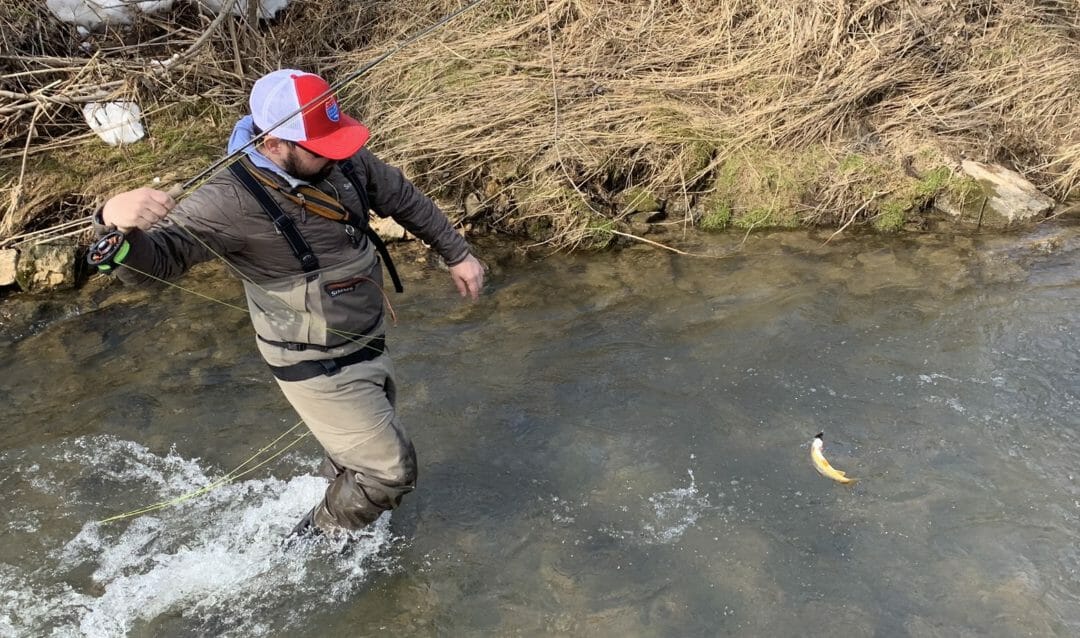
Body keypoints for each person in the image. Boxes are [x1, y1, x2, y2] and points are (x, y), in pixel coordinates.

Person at [92, 69, 485, 537]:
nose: (337, 156)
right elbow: (155, 262)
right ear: (275, 143)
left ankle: (341, 518)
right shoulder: (227, 202)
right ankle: (309, 548)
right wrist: (111, 223)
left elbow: (400, 195)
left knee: (356, 461)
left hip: (365, 339)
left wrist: (457, 253)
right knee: (390, 472)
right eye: (322, 148)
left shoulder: (337, 155)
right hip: (314, 363)